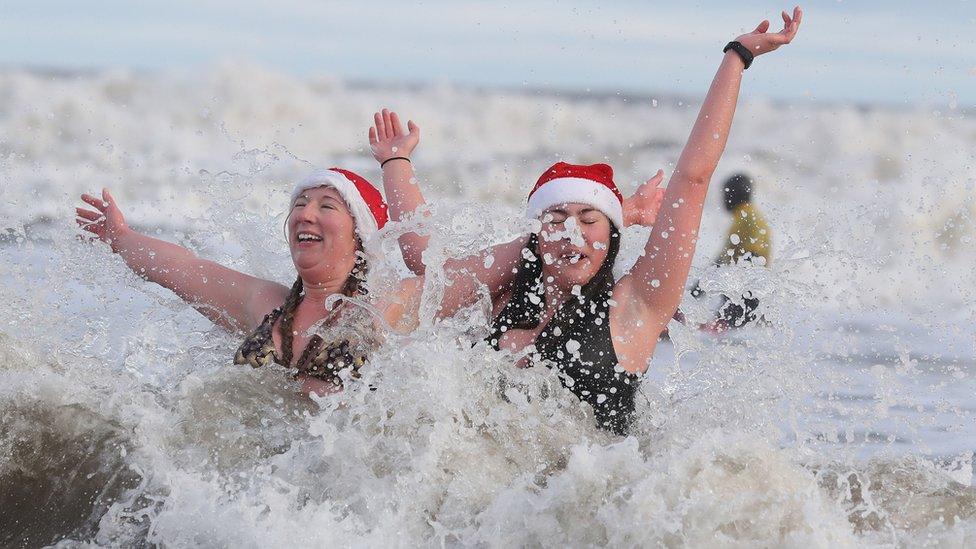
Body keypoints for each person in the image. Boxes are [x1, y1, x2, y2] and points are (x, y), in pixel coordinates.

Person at [371, 7, 803, 434]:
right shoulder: (497, 302)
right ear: (535, 235)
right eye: (556, 217)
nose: (571, 230)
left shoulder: (633, 309)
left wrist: (736, 57)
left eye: (589, 218)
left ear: (613, 235)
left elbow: (693, 179)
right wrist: (396, 162)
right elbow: (426, 270)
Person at [76, 167, 424, 397]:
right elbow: (183, 268)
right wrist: (120, 238)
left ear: (360, 235)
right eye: (300, 204)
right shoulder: (267, 304)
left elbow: (432, 266)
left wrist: (396, 162)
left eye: (327, 206)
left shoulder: (386, 308)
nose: (304, 214)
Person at [692, 172, 772, 331]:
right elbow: (726, 256)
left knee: (733, 316)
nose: (723, 199)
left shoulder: (746, 217)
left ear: (735, 194)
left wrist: (700, 288)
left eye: (726, 193)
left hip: (750, 282)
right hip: (756, 282)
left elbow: (747, 257)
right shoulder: (747, 215)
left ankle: (724, 324)